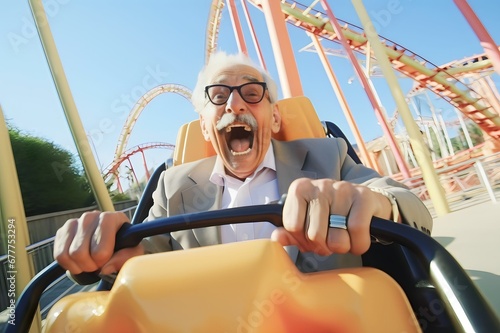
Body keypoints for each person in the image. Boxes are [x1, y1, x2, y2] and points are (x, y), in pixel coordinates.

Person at [54, 51, 432, 277]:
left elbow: (411, 208)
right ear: (205, 125)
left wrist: (379, 204)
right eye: (218, 97)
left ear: (277, 117)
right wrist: (105, 249)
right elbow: (142, 255)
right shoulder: (172, 186)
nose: (235, 105)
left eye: (252, 94)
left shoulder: (327, 155)